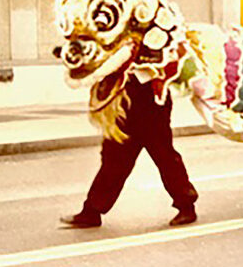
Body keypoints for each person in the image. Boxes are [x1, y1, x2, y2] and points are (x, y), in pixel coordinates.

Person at [60, 75, 199, 228]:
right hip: (123, 102)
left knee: (164, 156)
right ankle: (92, 211)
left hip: (151, 102)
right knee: (113, 160)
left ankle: (186, 206)